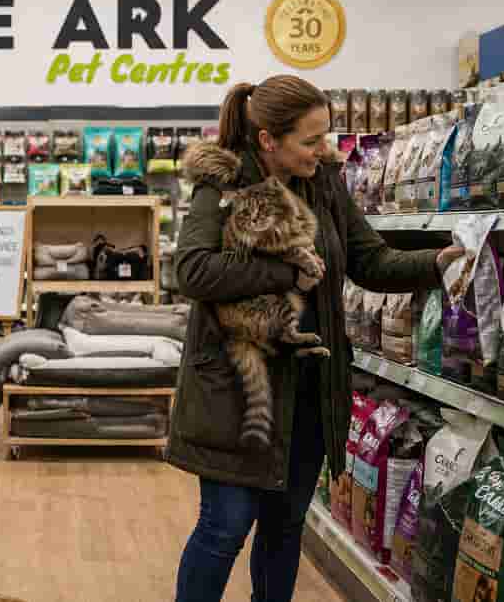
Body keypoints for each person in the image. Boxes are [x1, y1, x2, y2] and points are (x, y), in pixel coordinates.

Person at [165, 75, 463, 602]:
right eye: (310, 140)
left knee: (283, 531)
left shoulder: (325, 181)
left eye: (327, 135)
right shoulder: (223, 184)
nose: (325, 149)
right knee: (225, 527)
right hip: (239, 393)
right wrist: (284, 274)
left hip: (309, 388)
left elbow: (369, 259)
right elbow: (193, 270)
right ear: (267, 141)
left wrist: (438, 263)